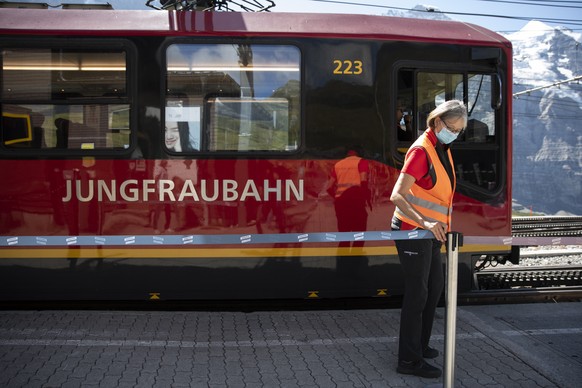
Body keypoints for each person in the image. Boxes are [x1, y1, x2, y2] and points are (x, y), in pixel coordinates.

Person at [390, 99, 467, 379]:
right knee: (417, 294)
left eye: (459, 131)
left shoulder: (441, 148)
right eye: (451, 128)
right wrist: (425, 222)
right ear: (437, 123)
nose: (454, 135)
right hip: (413, 230)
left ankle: (419, 346)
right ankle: (408, 361)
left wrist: (435, 226)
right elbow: (397, 195)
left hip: (432, 233)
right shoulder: (422, 150)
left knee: (433, 289)